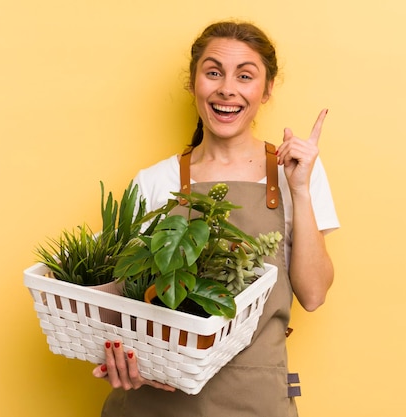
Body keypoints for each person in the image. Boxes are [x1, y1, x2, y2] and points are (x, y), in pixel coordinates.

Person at [92, 20, 339, 416]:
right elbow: (114, 302)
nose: (227, 88)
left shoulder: (296, 171)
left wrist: (301, 188)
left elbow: (313, 295)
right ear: (194, 84)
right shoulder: (155, 182)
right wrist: (118, 356)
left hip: (256, 401)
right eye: (213, 72)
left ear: (267, 89)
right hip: (156, 403)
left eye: (245, 75)